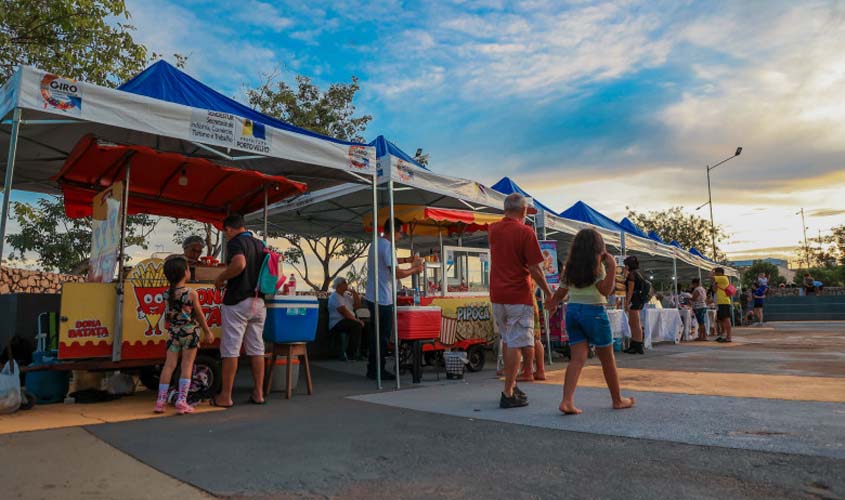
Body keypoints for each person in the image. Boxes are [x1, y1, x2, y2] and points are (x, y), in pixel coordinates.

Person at [546, 228, 635, 415]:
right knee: (607, 358)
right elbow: (605, 290)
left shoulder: (570, 268)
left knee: (577, 359)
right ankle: (617, 399)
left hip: (572, 311)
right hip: (594, 311)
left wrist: (552, 303)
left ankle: (566, 401)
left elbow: (560, 294)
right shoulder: (597, 267)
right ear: (598, 247)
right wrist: (611, 268)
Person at [488, 193, 552, 409]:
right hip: (518, 294)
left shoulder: (493, 230)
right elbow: (535, 268)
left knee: (507, 339)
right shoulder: (526, 232)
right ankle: (508, 392)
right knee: (517, 341)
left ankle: (512, 384)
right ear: (523, 211)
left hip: (498, 294)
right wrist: (548, 292)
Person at [213, 214, 267, 407]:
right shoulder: (260, 243)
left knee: (231, 349)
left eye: (225, 232)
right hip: (258, 302)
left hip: (238, 301)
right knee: (257, 348)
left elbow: (239, 264)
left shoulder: (236, 242)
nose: (226, 236)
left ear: (228, 229)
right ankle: (258, 393)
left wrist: (221, 278)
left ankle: (226, 396)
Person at [154, 256, 214, 414]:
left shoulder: (166, 293)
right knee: (187, 365)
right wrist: (207, 331)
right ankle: (181, 400)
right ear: (184, 273)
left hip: (173, 333)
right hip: (189, 332)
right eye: (188, 268)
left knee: (169, 366)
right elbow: (200, 315)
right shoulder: (190, 293)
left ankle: (160, 401)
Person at [365, 217, 423, 380]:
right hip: (383, 297)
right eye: (400, 233)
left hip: (372, 295)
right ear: (394, 231)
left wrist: (407, 260)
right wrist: (415, 269)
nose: (401, 237)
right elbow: (396, 273)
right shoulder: (388, 246)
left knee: (375, 335)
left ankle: (372, 368)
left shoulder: (376, 243)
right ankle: (378, 370)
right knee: (382, 337)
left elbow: (389, 262)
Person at [328, 277, 364, 361]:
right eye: (345, 283)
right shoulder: (334, 297)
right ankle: (351, 354)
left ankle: (363, 352)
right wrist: (357, 320)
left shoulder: (346, 295)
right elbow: (344, 312)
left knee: (368, 325)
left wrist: (354, 293)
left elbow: (358, 305)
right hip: (337, 322)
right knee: (357, 326)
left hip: (348, 320)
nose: (347, 284)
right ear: (339, 285)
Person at [622, 255, 646, 354]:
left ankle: (637, 345)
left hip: (634, 300)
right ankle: (637, 344)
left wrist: (627, 303)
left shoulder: (632, 274)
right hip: (639, 300)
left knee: (634, 323)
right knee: (636, 323)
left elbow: (630, 290)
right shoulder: (638, 273)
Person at [711, 267, 732, 343]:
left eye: (716, 272)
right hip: (720, 302)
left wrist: (712, 270)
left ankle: (729, 337)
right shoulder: (719, 281)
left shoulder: (723, 278)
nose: (715, 274)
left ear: (720, 273)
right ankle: (724, 335)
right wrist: (714, 284)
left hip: (724, 301)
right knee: (721, 319)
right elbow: (715, 290)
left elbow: (710, 277)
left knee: (726, 319)